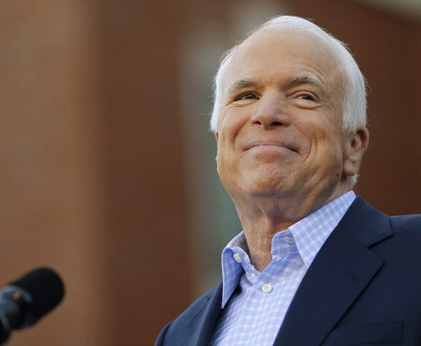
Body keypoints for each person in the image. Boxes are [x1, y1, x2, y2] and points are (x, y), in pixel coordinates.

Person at [155, 15, 421, 346]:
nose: (266, 114)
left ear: (352, 146)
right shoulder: (178, 336)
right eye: (246, 96)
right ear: (219, 141)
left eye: (304, 95)